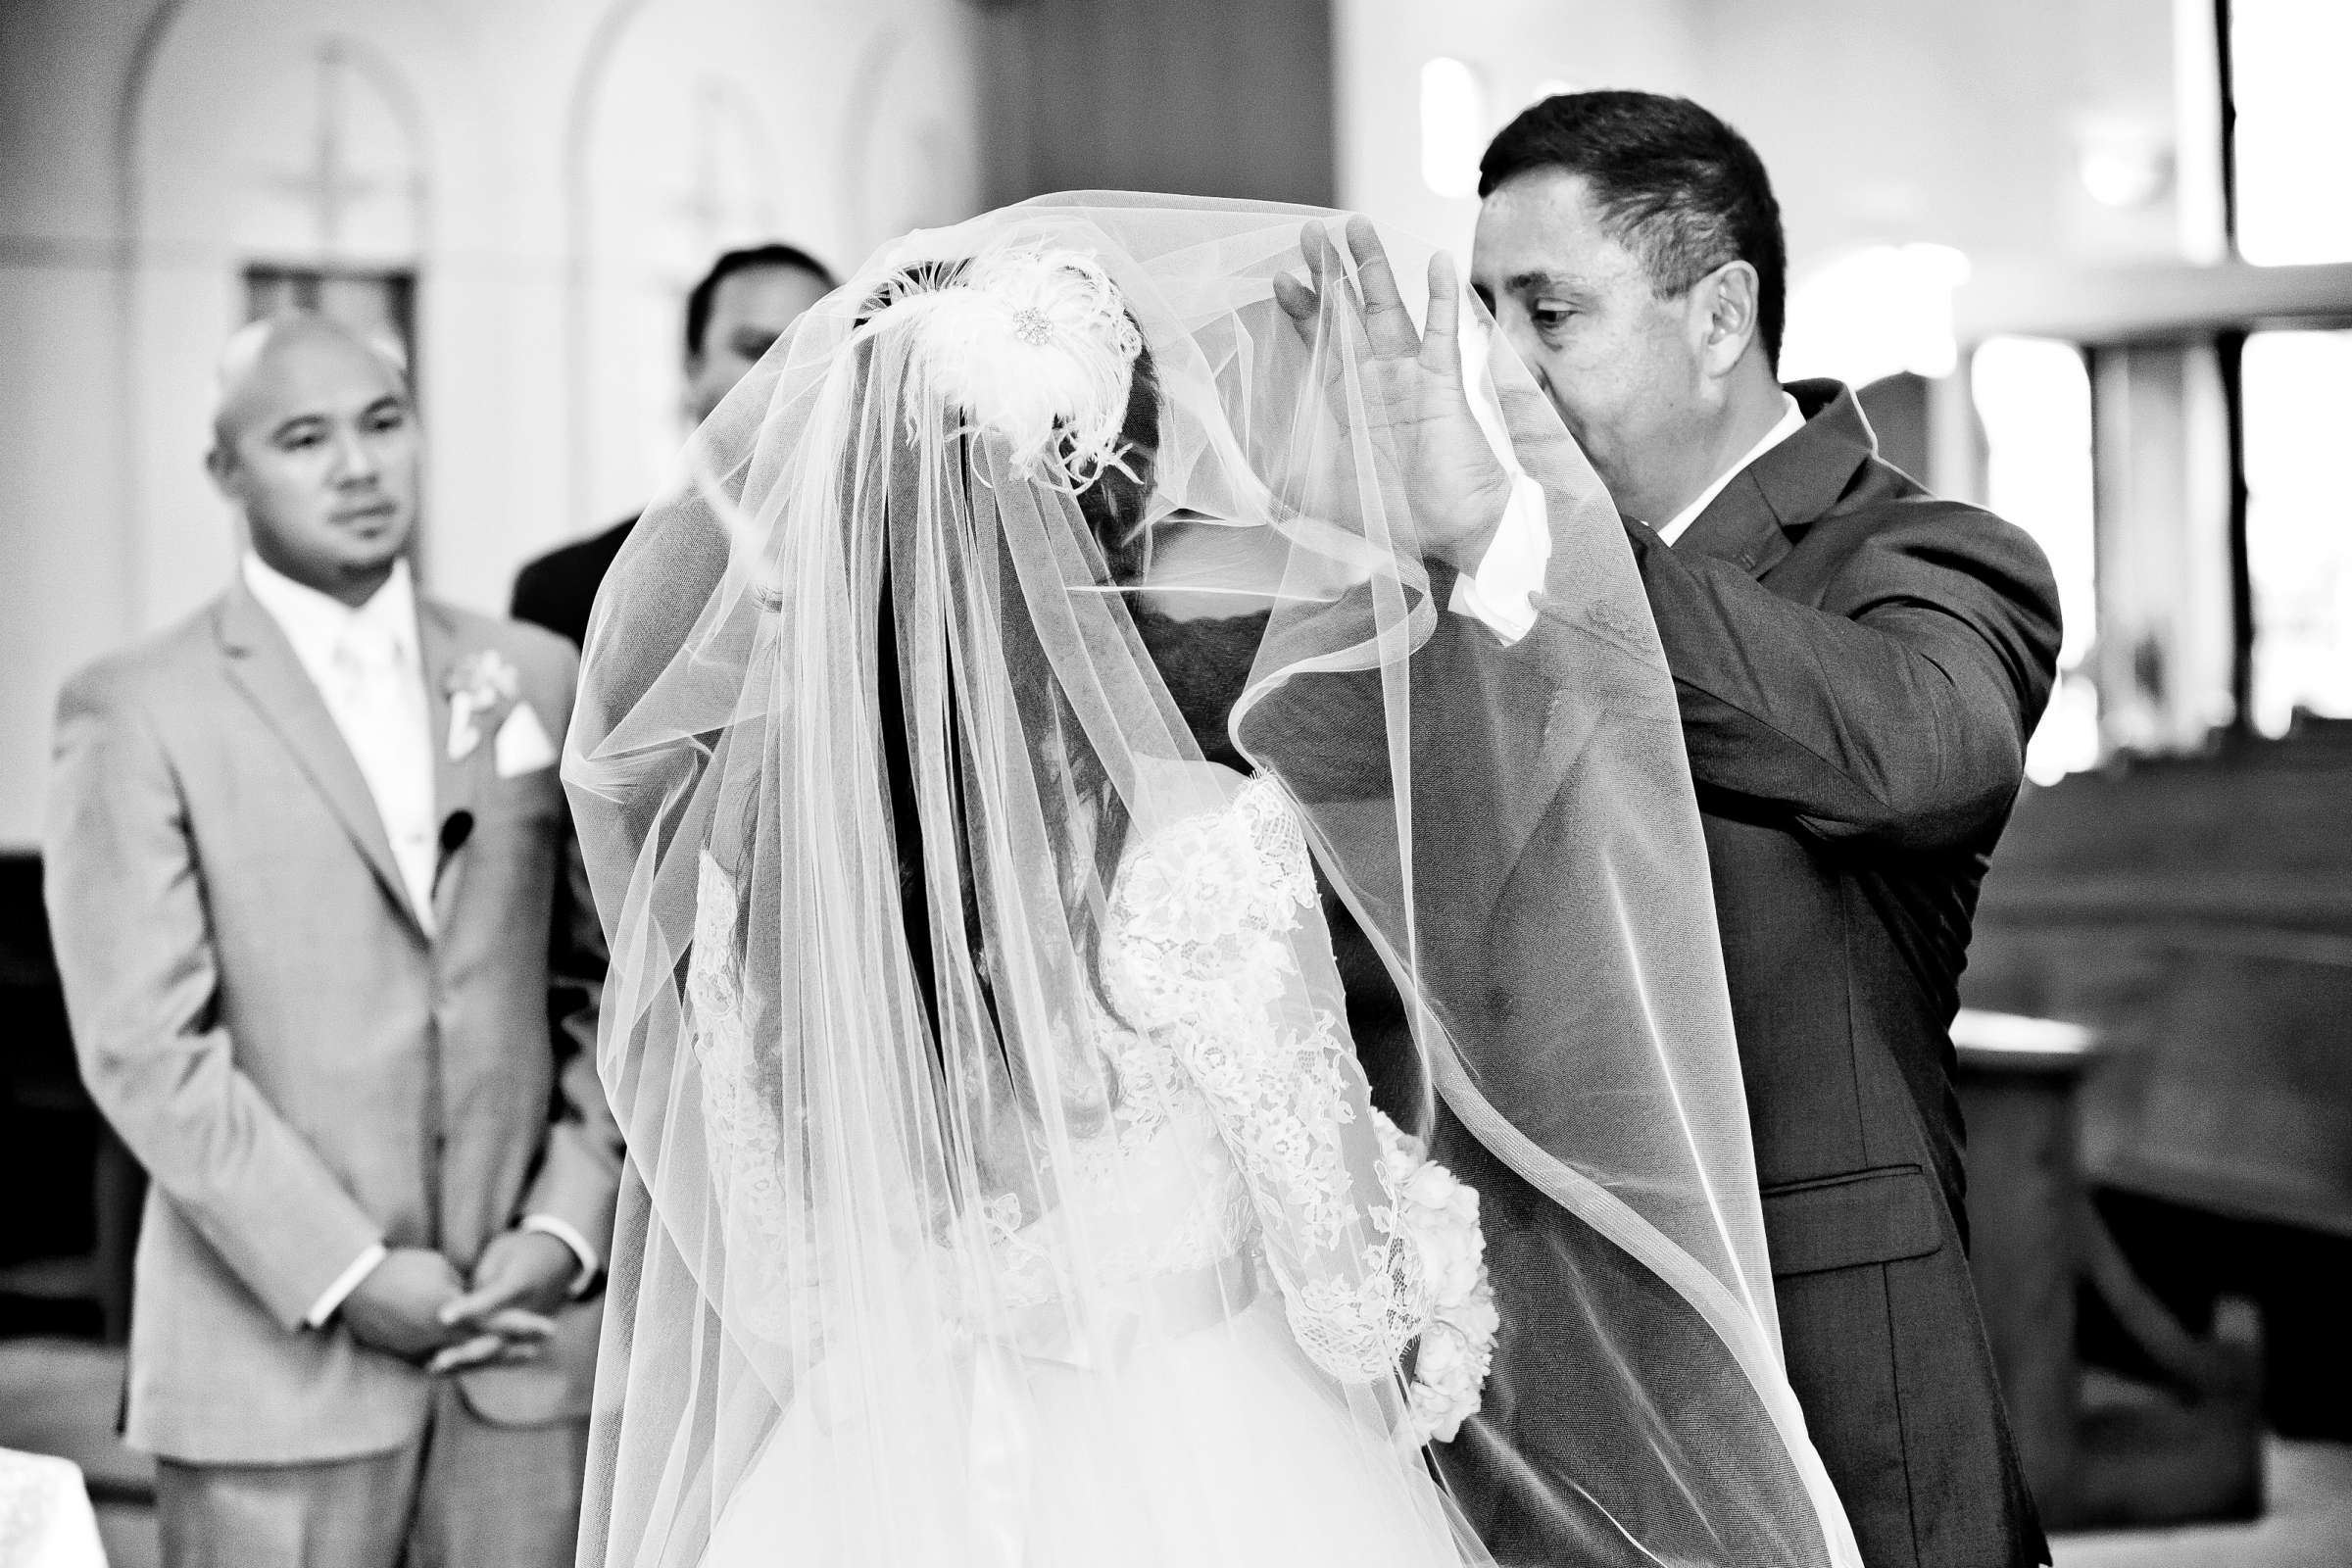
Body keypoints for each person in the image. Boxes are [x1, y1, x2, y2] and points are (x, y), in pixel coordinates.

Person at [564, 198, 1864, 1568]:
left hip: (864, 1483)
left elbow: (767, 1267)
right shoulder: (1186, 848)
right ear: (1108, 513)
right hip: (1188, 1470)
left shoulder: (745, 878)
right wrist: (1420, 1242)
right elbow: (1353, 1298)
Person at [1467, 92, 2062, 1568]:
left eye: (1549, 312)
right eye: (1482, 315)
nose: (1499, 368)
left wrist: (1553, 544)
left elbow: (1920, 753)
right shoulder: (1494, 595)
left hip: (1831, 1379)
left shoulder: (1920, 554)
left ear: (1719, 317)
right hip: (1563, 1394)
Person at [43, 312, 622, 1568]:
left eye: (383, 423)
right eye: (304, 438)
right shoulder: (135, 706)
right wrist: (351, 1272)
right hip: (271, 1362)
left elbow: (612, 983)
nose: (359, 467)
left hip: (521, 1357)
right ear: (225, 472)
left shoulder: (535, 673)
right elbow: (145, 1045)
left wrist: (566, 1227)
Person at [510, 242, 836, 648]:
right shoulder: (573, 589)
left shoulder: (902, 569)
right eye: (760, 349)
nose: (792, 375)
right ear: (692, 367)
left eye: (817, 350)